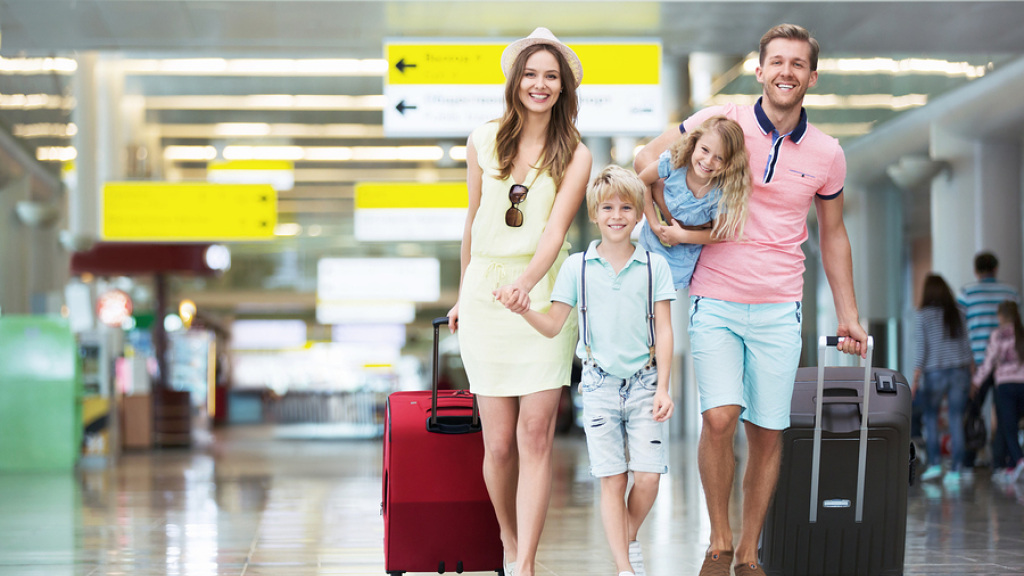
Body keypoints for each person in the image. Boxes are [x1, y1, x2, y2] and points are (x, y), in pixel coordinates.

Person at [634, 23, 868, 576]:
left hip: (779, 302)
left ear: (812, 75)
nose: (786, 72)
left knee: (766, 430)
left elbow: (833, 234)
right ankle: (719, 539)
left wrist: (849, 315)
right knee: (719, 418)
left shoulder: (828, 154)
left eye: (797, 64)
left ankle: (748, 549)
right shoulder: (723, 120)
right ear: (759, 70)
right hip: (713, 295)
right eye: (776, 62)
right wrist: (669, 226)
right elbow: (651, 158)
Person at [446, 27, 592, 576]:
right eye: (530, 74)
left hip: (541, 296)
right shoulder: (483, 139)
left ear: (564, 87)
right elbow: (473, 219)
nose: (539, 84)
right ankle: (508, 538)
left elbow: (555, 232)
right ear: (515, 81)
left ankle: (526, 563)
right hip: (485, 295)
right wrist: (463, 292)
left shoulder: (575, 153)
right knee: (499, 444)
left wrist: (528, 285)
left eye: (551, 76)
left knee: (535, 437)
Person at [505, 165, 675, 576]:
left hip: (645, 382)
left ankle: (625, 537)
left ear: (638, 215)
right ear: (594, 215)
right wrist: (526, 308)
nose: (616, 215)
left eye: (625, 208)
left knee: (649, 479)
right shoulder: (576, 268)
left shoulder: (654, 267)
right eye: (607, 208)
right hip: (598, 385)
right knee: (612, 480)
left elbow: (665, 329)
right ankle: (624, 567)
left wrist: (664, 388)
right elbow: (552, 326)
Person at [636, 115, 752, 289]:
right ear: (694, 143)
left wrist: (682, 235)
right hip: (651, 243)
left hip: (682, 258)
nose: (708, 161)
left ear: (730, 163)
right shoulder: (674, 162)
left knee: (664, 299)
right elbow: (641, 182)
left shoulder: (721, 193)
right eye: (705, 150)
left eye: (719, 158)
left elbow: (719, 233)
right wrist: (654, 224)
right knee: (638, 290)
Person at [958, 251, 1021, 475]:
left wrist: (969, 364)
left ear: (976, 271)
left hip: (979, 362)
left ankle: (967, 463)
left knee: (972, 413)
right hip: (1009, 366)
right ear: (995, 269)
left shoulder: (967, 293)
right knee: (1006, 416)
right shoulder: (1011, 293)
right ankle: (1001, 464)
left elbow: (960, 331)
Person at [913, 274, 973, 484]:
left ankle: (935, 465)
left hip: (934, 371)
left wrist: (915, 377)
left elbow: (922, 349)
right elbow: (967, 345)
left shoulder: (923, 315)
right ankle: (957, 468)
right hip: (959, 370)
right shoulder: (958, 312)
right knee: (956, 418)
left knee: (930, 418)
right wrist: (972, 374)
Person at [972, 300, 1024, 484]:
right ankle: (1012, 466)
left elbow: (988, 363)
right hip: (1022, 384)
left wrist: (976, 383)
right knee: (1016, 424)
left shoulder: (997, 335)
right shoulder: (1021, 332)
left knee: (1008, 426)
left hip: (1005, 386)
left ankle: (1019, 460)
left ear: (1000, 316)